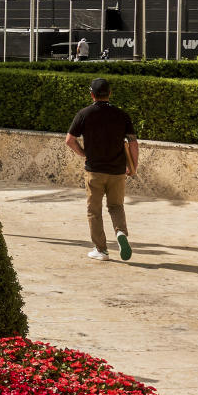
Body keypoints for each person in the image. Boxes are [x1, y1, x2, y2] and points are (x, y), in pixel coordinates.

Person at [65, 78, 137, 262]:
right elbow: (133, 142)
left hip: (94, 170)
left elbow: (70, 140)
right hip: (117, 171)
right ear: (110, 94)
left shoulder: (84, 114)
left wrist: (83, 153)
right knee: (116, 206)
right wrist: (133, 166)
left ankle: (101, 249)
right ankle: (121, 233)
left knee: (94, 211)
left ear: (92, 95)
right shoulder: (122, 115)